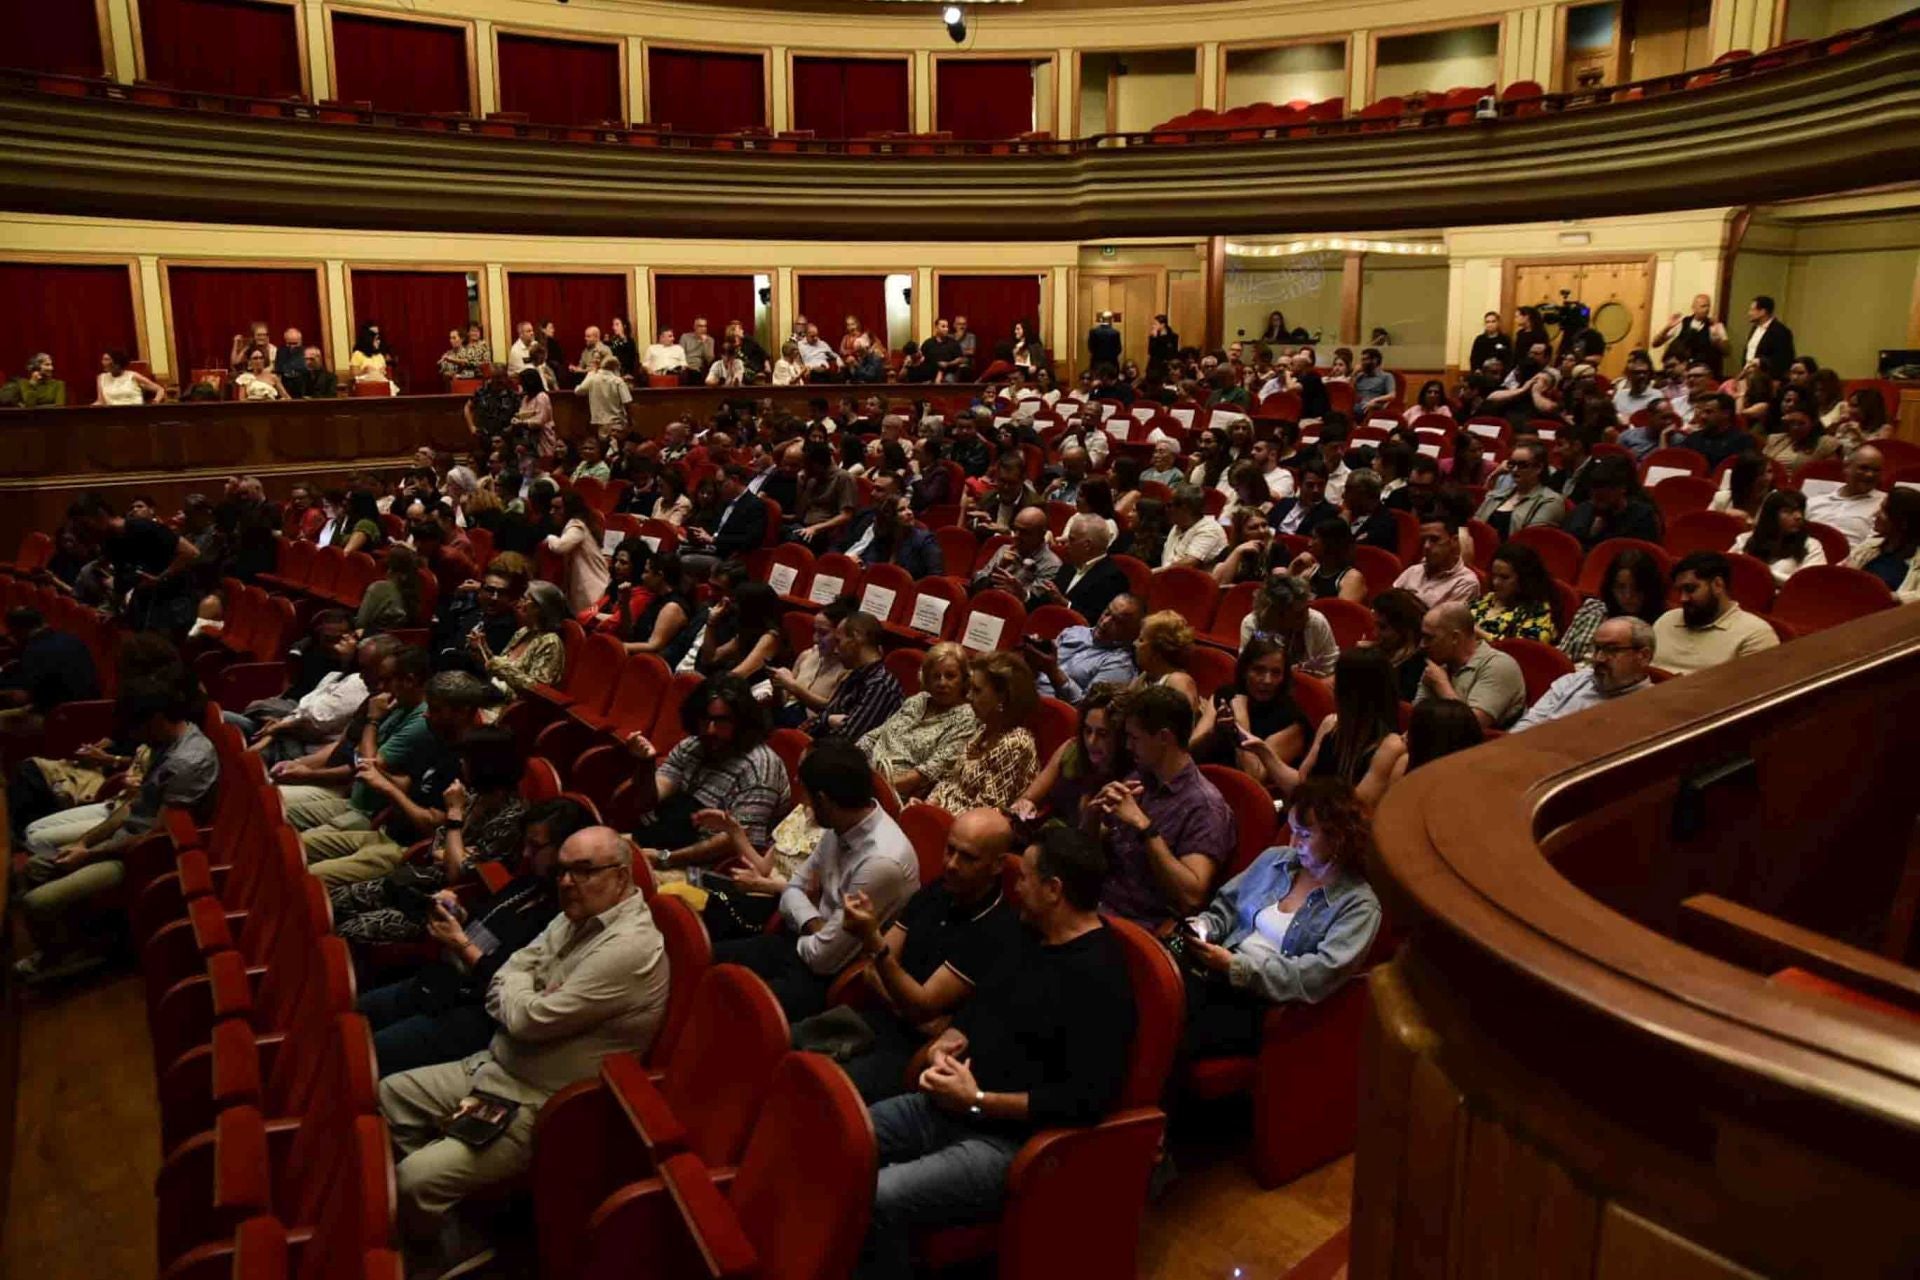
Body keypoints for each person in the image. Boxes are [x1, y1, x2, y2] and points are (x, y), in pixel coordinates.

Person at [379, 827, 666, 1274]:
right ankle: (456, 1219)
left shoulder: (629, 949)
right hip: (493, 1064)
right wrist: (521, 992)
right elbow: (514, 969)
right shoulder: (576, 914)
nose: (568, 882)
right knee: (388, 1097)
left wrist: (519, 993)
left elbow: (527, 1019)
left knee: (414, 1180)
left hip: (539, 1102)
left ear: (623, 876)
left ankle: (445, 1252)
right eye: (564, 870)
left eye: (584, 870)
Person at [857, 825, 1135, 1280]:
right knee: (841, 1138)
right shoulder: (1026, 934)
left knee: (877, 1197)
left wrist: (977, 1100)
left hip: (1007, 1142)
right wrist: (953, 1038)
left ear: (1053, 890)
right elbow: (983, 1007)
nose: (1015, 886)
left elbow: (1084, 1101)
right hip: (947, 1105)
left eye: (1023, 877)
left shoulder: (1099, 981)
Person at [356, 797, 595, 1076]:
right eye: (526, 843)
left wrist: (460, 943)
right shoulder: (532, 880)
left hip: (476, 1013)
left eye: (536, 846)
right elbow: (493, 925)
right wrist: (458, 915)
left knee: (369, 1053)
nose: (527, 854)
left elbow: (511, 983)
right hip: (444, 982)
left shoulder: (565, 915)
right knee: (351, 1014)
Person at [813, 807, 1024, 1103]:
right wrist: (907, 1006)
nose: (951, 864)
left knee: (822, 1090)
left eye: (967, 857)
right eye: (950, 849)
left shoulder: (997, 929)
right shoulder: (940, 888)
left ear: (997, 865)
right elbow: (874, 972)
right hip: (875, 1017)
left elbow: (920, 1001)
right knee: (790, 1048)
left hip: (911, 1053)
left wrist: (875, 943)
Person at [15, 675, 217, 982]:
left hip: (146, 858)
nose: (134, 736)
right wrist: (84, 844)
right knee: (34, 869)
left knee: (34, 902)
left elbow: (157, 837)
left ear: (157, 718)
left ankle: (71, 953)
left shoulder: (187, 761)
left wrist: (88, 855)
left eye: (137, 727)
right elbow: (130, 808)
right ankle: (73, 942)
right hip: (127, 841)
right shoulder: (165, 743)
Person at [1177, 776, 1382, 1057]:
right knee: (1151, 996)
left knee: (1172, 1027)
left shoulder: (1359, 906)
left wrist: (1236, 966)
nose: (1293, 841)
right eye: (1292, 829)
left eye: (1305, 835)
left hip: (1264, 1005)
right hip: (1216, 969)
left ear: (1338, 837)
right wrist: (1202, 927)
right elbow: (1225, 910)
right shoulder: (1276, 860)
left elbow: (1315, 977)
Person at [715, 739, 918, 1021]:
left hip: (826, 979)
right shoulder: (843, 823)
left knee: (732, 1007)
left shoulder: (882, 862)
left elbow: (824, 959)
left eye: (808, 797)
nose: (806, 806)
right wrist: (815, 923)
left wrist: (805, 919)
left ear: (823, 800)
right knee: (704, 960)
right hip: (798, 941)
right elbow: (793, 890)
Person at [328, 725, 528, 944]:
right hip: (417, 880)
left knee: (346, 931)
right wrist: (455, 851)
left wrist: (454, 816)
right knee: (333, 902)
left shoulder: (512, 818)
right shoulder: (474, 795)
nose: (461, 763)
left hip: (443, 904)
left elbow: (458, 873)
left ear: (486, 765)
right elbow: (438, 846)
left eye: (467, 759)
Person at [298, 671, 490, 888]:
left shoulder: (472, 758)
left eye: (435, 709)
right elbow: (410, 785)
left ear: (462, 712)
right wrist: (378, 774)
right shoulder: (436, 737)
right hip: (382, 831)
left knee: (307, 879)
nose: (426, 715)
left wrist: (386, 788)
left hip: (405, 851)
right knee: (293, 848)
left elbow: (431, 825)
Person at [1086, 683, 1232, 927]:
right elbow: (1096, 847)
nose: (1128, 746)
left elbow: (1191, 897)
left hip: (1137, 926)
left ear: (1164, 738)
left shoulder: (1205, 807)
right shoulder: (1139, 777)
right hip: (1096, 903)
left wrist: (1145, 828)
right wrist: (1092, 816)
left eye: (1135, 738)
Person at [626, 674, 791, 875]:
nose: (710, 730)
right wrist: (644, 765)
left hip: (701, 868)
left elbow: (733, 843)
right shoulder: (693, 746)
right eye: (705, 719)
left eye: (722, 721)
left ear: (742, 722)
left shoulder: (760, 769)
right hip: (659, 839)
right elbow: (647, 801)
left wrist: (665, 858)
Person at [924, 652, 1040, 816]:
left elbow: (987, 812)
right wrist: (928, 805)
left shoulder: (1015, 744)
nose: (969, 696)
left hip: (969, 833)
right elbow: (950, 781)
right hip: (943, 816)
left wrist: (936, 816)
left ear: (1002, 697)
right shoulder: (984, 728)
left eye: (977, 690)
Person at [859, 644, 979, 801]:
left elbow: (929, 772)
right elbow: (876, 735)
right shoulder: (918, 700)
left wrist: (873, 785)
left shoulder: (966, 717)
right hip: (865, 773)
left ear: (964, 680)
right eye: (935, 676)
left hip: (893, 790)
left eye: (950, 676)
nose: (942, 683)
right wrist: (852, 761)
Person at [1015, 682, 1130, 826]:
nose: (1091, 741)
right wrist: (1025, 805)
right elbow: (1029, 797)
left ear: (1121, 736)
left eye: (1103, 734)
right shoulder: (1071, 748)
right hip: (1051, 834)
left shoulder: (1132, 774)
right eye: (1087, 731)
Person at [1512, 617, 1655, 731]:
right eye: (1597, 648)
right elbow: (1527, 725)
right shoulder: (1573, 682)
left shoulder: (1651, 707)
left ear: (1643, 656)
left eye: (1611, 650)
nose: (1599, 658)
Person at [1651, 552, 1781, 675]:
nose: (1683, 598)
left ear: (1718, 585)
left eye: (1690, 589)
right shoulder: (1666, 620)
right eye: (1680, 591)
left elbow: (1751, 691)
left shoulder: (1755, 634)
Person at [1416, 601, 1528, 729]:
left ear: (1455, 637)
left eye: (1429, 638)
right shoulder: (1440, 665)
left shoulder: (1498, 665)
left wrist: (1442, 685)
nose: (1422, 645)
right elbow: (1417, 721)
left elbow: (1472, 728)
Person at [804, 611, 903, 743]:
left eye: (839, 641)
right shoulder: (854, 675)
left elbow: (845, 741)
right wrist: (827, 720)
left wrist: (824, 722)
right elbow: (821, 719)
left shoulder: (880, 685)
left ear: (856, 639)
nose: (835, 650)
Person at [1025, 593, 1143, 704]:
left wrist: (1054, 673)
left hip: (1047, 711)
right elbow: (1041, 669)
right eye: (1107, 613)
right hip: (1026, 690)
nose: (1105, 622)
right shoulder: (1075, 631)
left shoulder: (1119, 665)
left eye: (1118, 622)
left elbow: (1086, 708)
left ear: (1133, 633)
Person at [1558, 546, 1668, 664]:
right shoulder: (1593, 610)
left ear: (1651, 589)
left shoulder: (1663, 625)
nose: (1628, 596)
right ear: (1610, 587)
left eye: (1637, 588)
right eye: (1620, 587)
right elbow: (1562, 656)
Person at [0, 607, 99, 736]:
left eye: (12, 633)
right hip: (92, 711)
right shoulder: (71, 638)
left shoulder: (34, 651)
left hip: (61, 717)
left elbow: (22, 697)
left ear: (19, 630)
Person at [475, 580, 569, 699]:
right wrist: (482, 649)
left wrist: (498, 666)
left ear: (539, 607)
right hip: (493, 692)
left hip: (510, 707)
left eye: (525, 599)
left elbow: (538, 690)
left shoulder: (550, 642)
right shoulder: (523, 632)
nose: (519, 603)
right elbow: (498, 668)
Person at [769, 599, 853, 727]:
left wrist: (792, 686)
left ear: (840, 635)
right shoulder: (807, 655)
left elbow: (831, 709)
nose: (815, 639)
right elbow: (783, 701)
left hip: (813, 728)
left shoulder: (848, 670)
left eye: (823, 633)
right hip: (785, 717)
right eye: (815, 631)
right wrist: (778, 684)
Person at [1392, 495, 1479, 608]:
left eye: (1434, 539)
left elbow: (1442, 624)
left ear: (1454, 541)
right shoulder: (1412, 572)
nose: (1426, 546)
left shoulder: (1465, 583)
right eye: (1424, 540)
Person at [1563, 456, 1664, 550]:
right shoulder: (1583, 511)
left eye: (1604, 497)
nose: (1597, 503)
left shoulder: (1642, 517)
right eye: (1594, 491)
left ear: (1622, 488)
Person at [1730, 489, 1825, 586]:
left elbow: (1808, 583)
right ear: (1771, 516)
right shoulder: (1745, 539)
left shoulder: (1812, 546)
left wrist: (1758, 570)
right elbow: (1726, 567)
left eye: (1800, 510)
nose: (1799, 516)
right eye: (1788, 511)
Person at [1845, 486, 1920, 602]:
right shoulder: (1869, 546)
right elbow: (1841, 575)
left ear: (1903, 522)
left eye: (1884, 511)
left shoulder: (1916, 559)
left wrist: (1890, 597)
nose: (1875, 514)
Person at [1470, 543, 1558, 642]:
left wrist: (1481, 634)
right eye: (1494, 575)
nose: (1496, 582)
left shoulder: (1538, 610)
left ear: (1524, 579)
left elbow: (1524, 650)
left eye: (1504, 577)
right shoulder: (1488, 599)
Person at [1474, 441, 1565, 536]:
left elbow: (1531, 538)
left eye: (1522, 465)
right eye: (1512, 464)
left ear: (1538, 468)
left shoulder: (1550, 500)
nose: (1514, 470)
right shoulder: (1495, 495)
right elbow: (1475, 528)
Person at [971, 505, 1061, 600]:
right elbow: (977, 585)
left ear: (1041, 534)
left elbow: (1036, 604)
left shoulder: (1051, 564)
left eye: (1024, 532)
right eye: (1015, 529)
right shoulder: (1004, 549)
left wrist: (1020, 592)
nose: (1016, 536)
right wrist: (999, 568)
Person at [1804, 445, 1886, 549]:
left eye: (1876, 470)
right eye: (1863, 468)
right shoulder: (1814, 502)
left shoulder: (1885, 505)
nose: (1870, 474)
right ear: (1847, 467)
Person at [543, 489, 610, 614]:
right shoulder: (575, 524)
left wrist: (549, 537)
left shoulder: (576, 525)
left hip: (594, 590)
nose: (552, 512)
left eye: (557, 508)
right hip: (584, 590)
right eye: (551, 507)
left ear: (569, 510)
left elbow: (560, 547)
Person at [1653, 293, 1729, 378]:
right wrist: (1667, 327)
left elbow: (1727, 351)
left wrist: (1717, 340)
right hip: (1682, 376)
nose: (1707, 309)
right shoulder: (1681, 323)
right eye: (1703, 306)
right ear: (1694, 308)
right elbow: (1655, 343)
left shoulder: (1716, 325)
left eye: (1708, 306)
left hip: (1705, 376)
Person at [1160, 484, 1229, 570]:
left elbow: (1188, 564)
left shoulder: (1209, 529)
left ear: (1184, 508)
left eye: (1169, 505)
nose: (1166, 509)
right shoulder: (1178, 525)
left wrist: (1153, 573)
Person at [574, 355, 632, 435]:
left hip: (597, 424)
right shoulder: (618, 381)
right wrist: (630, 422)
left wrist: (590, 374)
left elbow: (578, 391)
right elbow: (627, 402)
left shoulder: (592, 378)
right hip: (616, 424)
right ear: (615, 368)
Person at [1742, 294, 1795, 378]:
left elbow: (1784, 358)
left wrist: (1761, 362)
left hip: (1766, 379)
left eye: (1752, 310)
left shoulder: (1780, 331)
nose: (1749, 313)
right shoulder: (1755, 328)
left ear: (1763, 311)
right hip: (1748, 376)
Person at [94, 350, 165, 405]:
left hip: (134, 413)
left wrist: (155, 402)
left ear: (117, 362)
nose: (103, 362)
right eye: (103, 359)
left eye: (107, 359)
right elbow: (101, 401)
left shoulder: (133, 376)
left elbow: (160, 390)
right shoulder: (101, 378)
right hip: (113, 416)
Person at [1, 353, 65, 407]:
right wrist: (33, 383)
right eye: (47, 365)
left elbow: (59, 407)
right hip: (30, 420)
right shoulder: (24, 383)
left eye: (51, 364)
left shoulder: (58, 384)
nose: (51, 368)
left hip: (53, 419)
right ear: (35, 367)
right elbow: (30, 406)